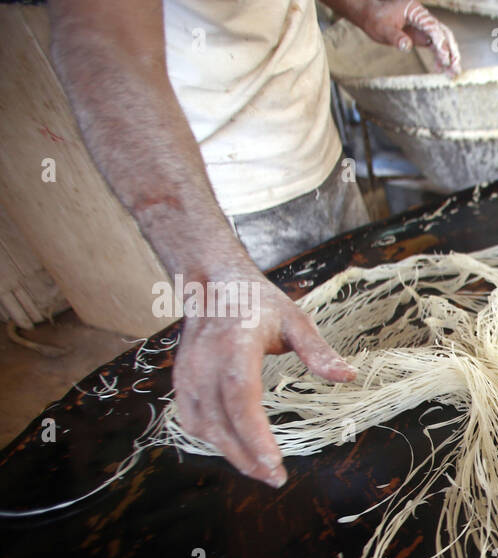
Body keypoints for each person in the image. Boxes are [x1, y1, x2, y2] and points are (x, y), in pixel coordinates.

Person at [43, 0, 460, 487]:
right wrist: (218, 276)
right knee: (306, 414)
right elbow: (103, 47)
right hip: (225, 204)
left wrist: (364, 8)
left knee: (371, 342)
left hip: (318, 155)